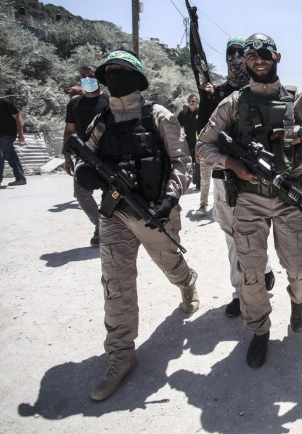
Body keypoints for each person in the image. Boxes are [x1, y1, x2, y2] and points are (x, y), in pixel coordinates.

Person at [196, 34, 302, 368]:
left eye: (265, 54)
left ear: (277, 57)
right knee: (251, 273)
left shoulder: (300, 100)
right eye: (252, 56)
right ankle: (259, 330)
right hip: (249, 200)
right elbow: (202, 147)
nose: (258, 60)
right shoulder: (232, 103)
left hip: (291, 194)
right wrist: (232, 164)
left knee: (298, 268)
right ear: (245, 62)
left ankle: (298, 302)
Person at [73, 50, 200, 401]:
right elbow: (85, 156)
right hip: (114, 215)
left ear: (137, 77)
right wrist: (86, 173)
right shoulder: (102, 121)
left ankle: (187, 284)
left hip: (155, 213)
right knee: (116, 284)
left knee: (171, 266)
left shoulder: (158, 115)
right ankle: (120, 355)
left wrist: (169, 200)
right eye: (108, 72)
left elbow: (181, 161)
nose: (113, 76)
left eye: (121, 71)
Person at [196, 36, 276, 318]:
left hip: (257, 178)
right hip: (225, 176)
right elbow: (203, 141)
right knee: (232, 236)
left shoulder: (262, 89)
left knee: (261, 231)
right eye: (231, 53)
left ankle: (264, 271)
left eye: (241, 53)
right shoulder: (215, 94)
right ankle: (240, 291)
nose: (236, 58)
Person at [63, 64, 108, 247]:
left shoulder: (109, 102)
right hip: (84, 155)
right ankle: (99, 225)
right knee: (81, 194)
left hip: (107, 154)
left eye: (91, 75)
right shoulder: (74, 104)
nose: (88, 78)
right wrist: (67, 157)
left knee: (110, 193)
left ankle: (110, 227)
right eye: (84, 76)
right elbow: (69, 131)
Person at [0, 83, 27, 189]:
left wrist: (20, 134)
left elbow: (18, 118)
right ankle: (20, 178)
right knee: (11, 157)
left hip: (8, 134)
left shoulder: (5, 103)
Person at [178, 94, 208, 214]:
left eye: (193, 101)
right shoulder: (183, 114)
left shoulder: (201, 113)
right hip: (187, 143)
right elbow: (177, 124)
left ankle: (198, 184)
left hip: (199, 143)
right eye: (190, 101)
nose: (191, 102)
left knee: (199, 162)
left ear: (197, 102)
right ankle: (194, 181)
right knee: (189, 163)